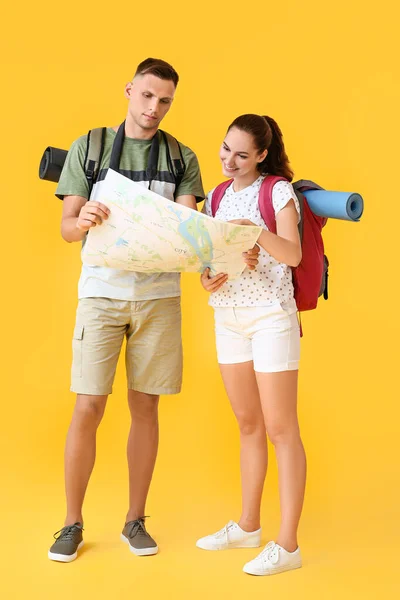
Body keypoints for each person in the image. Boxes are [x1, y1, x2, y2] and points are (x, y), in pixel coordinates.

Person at [48, 59, 259, 563]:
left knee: (146, 408)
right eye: (146, 96)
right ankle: (71, 523)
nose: (153, 108)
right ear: (129, 90)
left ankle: (134, 520)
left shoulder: (182, 157)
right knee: (88, 407)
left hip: (159, 299)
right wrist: (85, 217)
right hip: (100, 293)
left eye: (164, 101)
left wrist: (215, 259)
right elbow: (66, 226)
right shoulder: (91, 147)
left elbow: (187, 233)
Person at [197, 114, 306, 576]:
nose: (229, 161)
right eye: (225, 149)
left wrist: (254, 231)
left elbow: (293, 254)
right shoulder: (216, 196)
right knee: (247, 424)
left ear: (261, 155)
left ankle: (288, 545)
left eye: (242, 154)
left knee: (281, 429)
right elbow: (203, 258)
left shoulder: (277, 190)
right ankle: (247, 525)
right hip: (228, 316)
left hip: (270, 318)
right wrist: (207, 277)